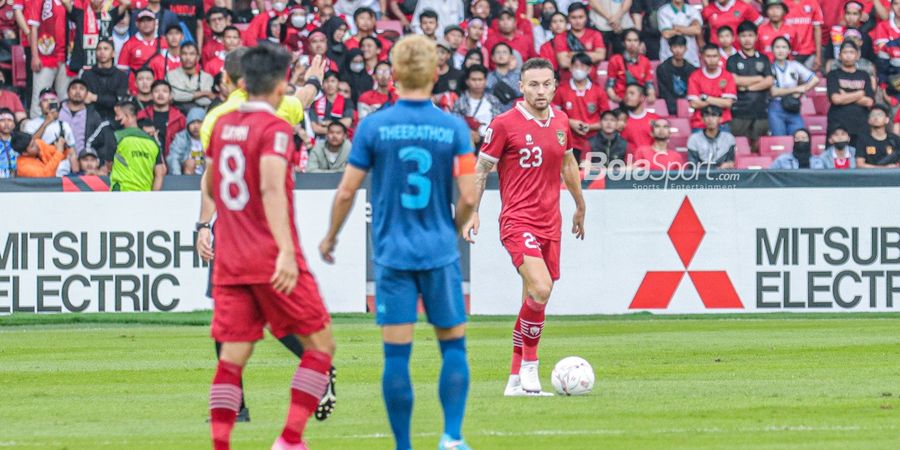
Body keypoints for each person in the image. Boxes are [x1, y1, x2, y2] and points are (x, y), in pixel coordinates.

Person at [319, 34, 477, 450]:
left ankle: (403, 446)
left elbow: (347, 191)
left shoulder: (374, 126)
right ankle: (452, 437)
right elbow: (470, 195)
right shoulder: (453, 127)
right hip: (440, 252)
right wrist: (455, 225)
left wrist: (331, 236)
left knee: (396, 356)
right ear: (435, 71)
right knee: (453, 345)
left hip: (393, 255)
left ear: (394, 72)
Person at [202, 45, 335, 450]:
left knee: (231, 359)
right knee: (321, 347)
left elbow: (209, 184)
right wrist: (285, 251)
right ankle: (290, 439)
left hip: (231, 258)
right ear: (280, 85)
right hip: (270, 256)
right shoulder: (276, 126)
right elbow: (271, 188)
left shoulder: (221, 125)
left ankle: (221, 444)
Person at [464, 58, 586, 396]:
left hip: (552, 222)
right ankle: (531, 368)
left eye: (546, 84)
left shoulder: (561, 120)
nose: (541, 90)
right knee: (541, 289)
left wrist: (579, 205)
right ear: (521, 86)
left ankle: (515, 380)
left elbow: (568, 163)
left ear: (554, 86)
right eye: (533, 84)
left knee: (534, 297)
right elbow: (481, 169)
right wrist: (473, 211)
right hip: (518, 221)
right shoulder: (504, 124)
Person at [554, 52, 609, 162]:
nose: (578, 69)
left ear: (589, 69)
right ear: (570, 68)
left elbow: (607, 120)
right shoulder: (561, 90)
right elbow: (554, 117)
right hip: (568, 143)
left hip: (594, 143)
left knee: (592, 177)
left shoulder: (599, 92)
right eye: (576, 66)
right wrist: (570, 123)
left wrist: (590, 127)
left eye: (582, 66)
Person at [727, 21, 773, 151]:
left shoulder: (763, 58)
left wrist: (747, 87)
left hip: (761, 110)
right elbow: (734, 80)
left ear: (756, 37)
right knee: (738, 147)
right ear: (737, 38)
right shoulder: (733, 59)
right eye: (743, 35)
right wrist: (759, 78)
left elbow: (769, 81)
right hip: (739, 111)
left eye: (750, 35)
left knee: (759, 148)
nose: (747, 39)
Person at [26, 0, 70, 118]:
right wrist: (35, 56)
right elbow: (33, 28)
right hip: (45, 56)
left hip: (67, 57)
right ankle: (35, 131)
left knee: (64, 98)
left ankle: (63, 129)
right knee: (39, 98)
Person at [110, 100, 166, 191]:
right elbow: (160, 173)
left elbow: (109, 164)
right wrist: (153, 197)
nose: (116, 119)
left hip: (121, 194)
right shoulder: (152, 142)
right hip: (144, 197)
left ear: (127, 116)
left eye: (118, 115)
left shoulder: (117, 136)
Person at [827, 41, 874, 147]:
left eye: (851, 52)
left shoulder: (864, 75)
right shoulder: (833, 74)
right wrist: (859, 94)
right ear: (839, 55)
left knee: (859, 160)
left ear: (857, 56)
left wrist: (845, 95)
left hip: (861, 125)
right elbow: (836, 99)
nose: (848, 55)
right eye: (845, 52)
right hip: (838, 125)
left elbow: (869, 102)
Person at [769, 36, 819, 136]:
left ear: (789, 50)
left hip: (793, 106)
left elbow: (815, 79)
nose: (780, 50)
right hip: (776, 106)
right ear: (772, 50)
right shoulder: (769, 67)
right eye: (777, 47)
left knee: (799, 137)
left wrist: (803, 90)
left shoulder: (794, 65)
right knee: (780, 140)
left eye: (784, 47)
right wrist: (796, 89)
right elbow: (774, 92)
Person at [61, 0, 128, 74]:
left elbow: (126, 3)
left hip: (103, 67)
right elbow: (65, 2)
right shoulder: (80, 15)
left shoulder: (110, 15)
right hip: (82, 66)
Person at [59, 79, 116, 162]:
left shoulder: (93, 115)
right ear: (67, 92)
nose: (77, 92)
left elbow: (101, 141)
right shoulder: (58, 110)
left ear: (86, 94)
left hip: (84, 163)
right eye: (74, 88)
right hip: (58, 161)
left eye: (82, 89)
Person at [688, 44, 737, 132]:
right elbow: (694, 104)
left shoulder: (727, 76)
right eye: (708, 56)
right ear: (702, 57)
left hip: (722, 122)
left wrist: (705, 98)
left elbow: (727, 103)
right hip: (700, 123)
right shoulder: (695, 76)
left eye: (714, 56)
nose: (711, 60)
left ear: (719, 57)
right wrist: (719, 100)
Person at [452, 64, 502, 146]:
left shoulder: (493, 101)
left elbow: (499, 125)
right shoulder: (460, 102)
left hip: (490, 143)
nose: (477, 83)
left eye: (480, 79)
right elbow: (455, 124)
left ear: (485, 81)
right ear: (467, 81)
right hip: (468, 143)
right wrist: (468, 132)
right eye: (474, 80)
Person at [555, 3, 607, 81]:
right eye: (574, 17)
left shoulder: (595, 34)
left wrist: (574, 54)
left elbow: (600, 56)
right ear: (568, 18)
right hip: (568, 83)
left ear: (586, 17)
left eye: (581, 17)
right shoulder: (561, 37)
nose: (578, 21)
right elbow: (563, 62)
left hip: (591, 82)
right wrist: (590, 57)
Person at [81, 40, 129, 122]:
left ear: (113, 53)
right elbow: (86, 100)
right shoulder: (87, 75)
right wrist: (108, 100)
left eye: (106, 49)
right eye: (99, 49)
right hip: (92, 118)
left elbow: (119, 102)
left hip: (115, 119)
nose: (102, 52)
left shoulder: (121, 76)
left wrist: (95, 98)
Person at [606, 28, 656, 105]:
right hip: (621, 99)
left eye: (635, 40)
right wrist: (613, 97)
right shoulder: (615, 60)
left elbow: (649, 83)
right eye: (629, 40)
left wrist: (651, 94)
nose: (632, 43)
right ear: (623, 43)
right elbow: (610, 84)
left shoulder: (645, 61)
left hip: (640, 100)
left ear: (640, 43)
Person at [137, 80, 186, 156]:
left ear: (170, 96)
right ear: (151, 95)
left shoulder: (179, 118)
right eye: (156, 91)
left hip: (172, 159)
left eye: (165, 91)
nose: (160, 94)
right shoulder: (141, 115)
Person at [167, 42, 216, 112]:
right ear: (180, 56)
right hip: (177, 114)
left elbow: (206, 101)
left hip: (202, 114)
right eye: (184, 54)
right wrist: (203, 93)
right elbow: (175, 96)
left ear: (198, 57)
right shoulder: (170, 75)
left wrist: (184, 97)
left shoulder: (207, 78)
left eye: (192, 54)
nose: (188, 57)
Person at [656, 35, 697, 115]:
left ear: (686, 48)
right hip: (669, 106)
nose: (678, 50)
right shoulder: (663, 68)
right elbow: (664, 92)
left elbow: (693, 91)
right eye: (675, 47)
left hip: (689, 105)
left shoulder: (692, 69)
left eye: (681, 47)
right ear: (670, 48)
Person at [309, 71, 354, 141]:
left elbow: (347, 123)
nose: (330, 84)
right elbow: (315, 128)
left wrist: (327, 123)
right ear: (322, 85)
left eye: (333, 81)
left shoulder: (347, 102)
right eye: (326, 81)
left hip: (341, 141)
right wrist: (336, 130)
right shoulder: (315, 103)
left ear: (338, 83)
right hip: (321, 141)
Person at [658, 0, 704, 68]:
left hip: (690, 55)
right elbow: (666, 33)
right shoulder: (663, 11)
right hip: (669, 54)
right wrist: (689, 28)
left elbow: (697, 30)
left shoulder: (693, 10)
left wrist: (676, 28)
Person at [784, 0, 823, 71]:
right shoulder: (783, 3)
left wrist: (818, 56)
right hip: (787, 53)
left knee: (809, 80)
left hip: (808, 53)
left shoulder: (813, 3)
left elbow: (817, 29)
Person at [620, 83, 659, 155]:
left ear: (642, 98)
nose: (628, 97)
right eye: (626, 94)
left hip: (651, 162)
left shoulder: (654, 118)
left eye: (632, 94)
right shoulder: (621, 119)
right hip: (629, 163)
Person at [166, 107, 205, 175]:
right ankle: (188, 185)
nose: (196, 126)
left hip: (206, 175)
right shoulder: (181, 138)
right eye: (192, 123)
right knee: (190, 163)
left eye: (199, 122)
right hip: (187, 175)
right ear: (188, 124)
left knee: (209, 162)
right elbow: (173, 158)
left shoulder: (210, 138)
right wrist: (178, 178)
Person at [486, 43, 522, 112]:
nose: (501, 55)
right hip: (492, 115)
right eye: (498, 52)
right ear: (492, 57)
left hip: (514, 114)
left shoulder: (519, 77)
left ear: (511, 57)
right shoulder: (487, 77)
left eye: (504, 52)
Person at [0, 109, 18, 178]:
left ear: (14, 124)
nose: (6, 123)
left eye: (9, 120)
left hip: (17, 179)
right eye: (2, 120)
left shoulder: (19, 140)